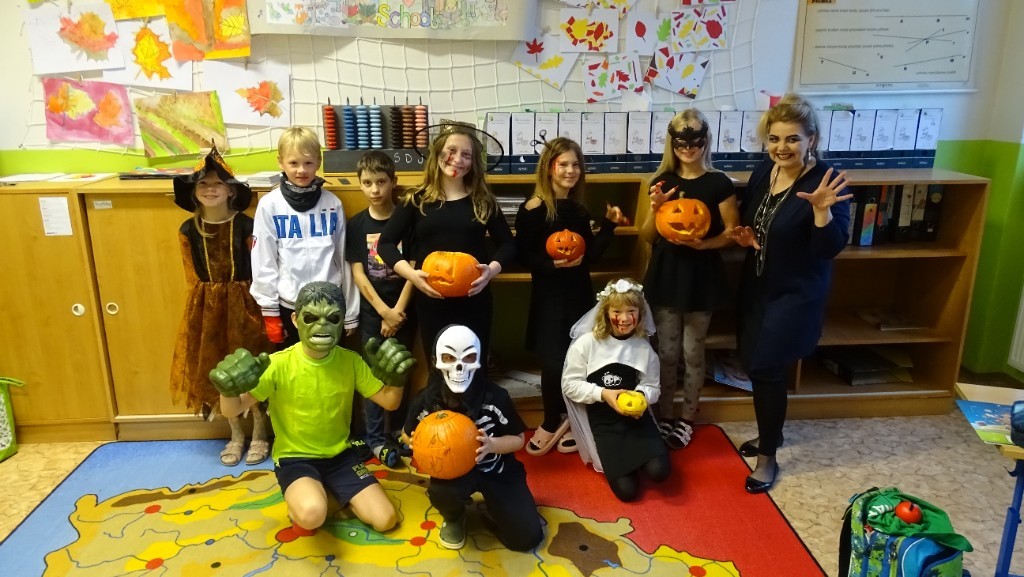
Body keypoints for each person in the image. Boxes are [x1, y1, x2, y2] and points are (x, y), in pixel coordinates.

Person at [209, 281, 415, 535]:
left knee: (386, 520)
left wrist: (397, 379)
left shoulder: (350, 361)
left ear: (342, 321)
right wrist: (228, 391)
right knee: (311, 515)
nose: (322, 325)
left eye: (333, 318)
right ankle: (311, 499)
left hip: (341, 457)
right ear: (295, 320)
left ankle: (320, 494)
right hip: (296, 459)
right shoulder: (278, 364)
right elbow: (232, 411)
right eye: (311, 318)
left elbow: (390, 402)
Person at [726, 93, 852, 494]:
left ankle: (767, 458)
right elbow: (759, 220)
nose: (782, 147)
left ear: (811, 139)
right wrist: (747, 237)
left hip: (795, 294)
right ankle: (773, 432)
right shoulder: (766, 169)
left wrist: (821, 212)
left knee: (766, 368)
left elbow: (829, 248)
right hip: (757, 286)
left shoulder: (827, 182)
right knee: (754, 363)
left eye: (792, 139)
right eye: (775, 138)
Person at [514, 137, 628, 456]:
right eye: (563, 164)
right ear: (549, 168)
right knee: (553, 360)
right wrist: (550, 264)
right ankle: (551, 420)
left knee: (578, 357)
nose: (570, 170)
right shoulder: (533, 209)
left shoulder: (577, 209)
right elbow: (523, 255)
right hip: (550, 294)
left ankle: (573, 418)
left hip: (579, 292)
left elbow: (589, 255)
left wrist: (609, 226)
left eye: (575, 164)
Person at [168, 147, 274, 467]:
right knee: (219, 371)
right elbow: (190, 277)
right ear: (194, 191)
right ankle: (235, 434)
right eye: (203, 184)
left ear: (231, 190)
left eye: (217, 183)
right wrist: (198, 316)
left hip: (246, 306)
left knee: (251, 368)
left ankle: (260, 432)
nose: (210, 189)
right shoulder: (187, 230)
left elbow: (261, 267)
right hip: (208, 311)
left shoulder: (247, 226)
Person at [640, 110, 740, 449]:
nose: (688, 147)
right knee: (666, 352)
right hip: (667, 275)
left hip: (701, 277)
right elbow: (648, 236)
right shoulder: (661, 180)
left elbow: (731, 232)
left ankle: (686, 419)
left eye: (694, 139)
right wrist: (655, 207)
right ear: (672, 143)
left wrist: (704, 244)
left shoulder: (719, 183)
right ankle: (665, 415)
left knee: (693, 352)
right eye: (681, 141)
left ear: (705, 140)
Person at [376, 122, 515, 367]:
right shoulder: (416, 200)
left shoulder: (483, 201)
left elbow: (508, 245)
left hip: (474, 299)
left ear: (473, 161)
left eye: (466, 155)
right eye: (451, 151)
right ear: (438, 153)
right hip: (432, 300)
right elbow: (385, 244)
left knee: (473, 366)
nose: (458, 159)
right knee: (439, 366)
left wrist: (490, 272)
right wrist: (412, 275)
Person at [402, 324, 543, 552]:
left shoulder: (495, 398)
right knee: (442, 492)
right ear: (436, 361)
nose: (459, 367)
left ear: (480, 360)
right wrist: (415, 442)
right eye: (449, 358)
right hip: (452, 473)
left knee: (527, 539)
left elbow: (518, 439)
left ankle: (498, 510)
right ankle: (454, 516)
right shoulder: (426, 402)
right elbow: (406, 434)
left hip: (497, 470)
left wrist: (492, 444)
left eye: (468, 358)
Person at [561, 278, 671, 502]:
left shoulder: (643, 348)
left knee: (660, 472)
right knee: (627, 493)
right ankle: (627, 464)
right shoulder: (586, 344)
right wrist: (603, 394)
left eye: (631, 311)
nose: (624, 318)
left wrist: (641, 396)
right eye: (617, 311)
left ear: (640, 313)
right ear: (605, 312)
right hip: (604, 420)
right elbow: (569, 385)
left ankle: (644, 457)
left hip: (635, 417)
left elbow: (652, 386)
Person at [250, 126, 359, 349]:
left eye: (308, 163)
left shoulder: (332, 204)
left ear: (318, 162)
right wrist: (270, 312)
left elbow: (343, 259)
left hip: (330, 305)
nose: (301, 170)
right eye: (294, 163)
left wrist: (350, 311)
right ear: (280, 162)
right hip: (290, 307)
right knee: (294, 367)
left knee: (331, 365)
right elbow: (264, 261)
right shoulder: (270, 205)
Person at [345, 151, 416, 468]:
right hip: (374, 314)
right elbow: (359, 274)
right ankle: (375, 438)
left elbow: (414, 268)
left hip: (404, 312)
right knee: (374, 376)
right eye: (367, 183)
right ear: (360, 184)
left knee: (401, 372)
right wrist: (384, 312)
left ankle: (399, 431)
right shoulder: (357, 225)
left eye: (381, 182)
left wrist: (397, 311)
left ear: (393, 182)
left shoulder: (407, 220)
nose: (375, 189)